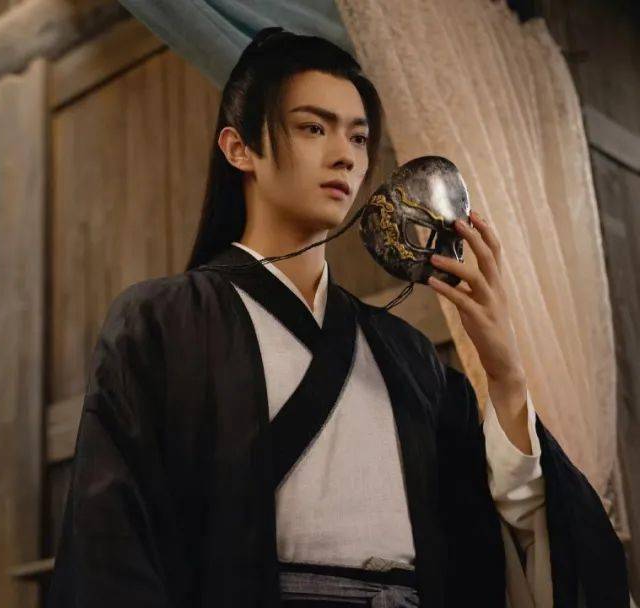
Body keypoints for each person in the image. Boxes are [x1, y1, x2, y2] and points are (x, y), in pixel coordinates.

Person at [46, 28, 627, 607]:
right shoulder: (162, 323)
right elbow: (110, 549)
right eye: (313, 128)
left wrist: (505, 375)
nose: (345, 155)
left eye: (359, 136)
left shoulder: (407, 355)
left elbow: (491, 536)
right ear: (239, 148)